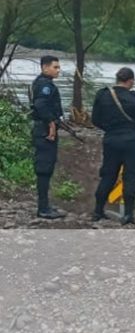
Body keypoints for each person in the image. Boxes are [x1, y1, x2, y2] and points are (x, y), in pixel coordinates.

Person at [91, 67, 135, 225]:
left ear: (117, 79)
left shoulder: (103, 95)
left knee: (108, 175)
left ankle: (98, 211)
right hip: (133, 142)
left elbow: (95, 119)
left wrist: (110, 129)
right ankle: (129, 215)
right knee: (130, 176)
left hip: (111, 140)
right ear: (130, 80)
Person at [30, 55, 66, 220]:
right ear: (45, 67)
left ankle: (45, 205)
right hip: (45, 131)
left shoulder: (43, 82)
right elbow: (41, 105)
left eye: (58, 67)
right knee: (44, 169)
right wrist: (51, 124)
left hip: (43, 129)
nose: (58, 70)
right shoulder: (45, 85)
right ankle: (43, 208)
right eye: (55, 67)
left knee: (46, 168)